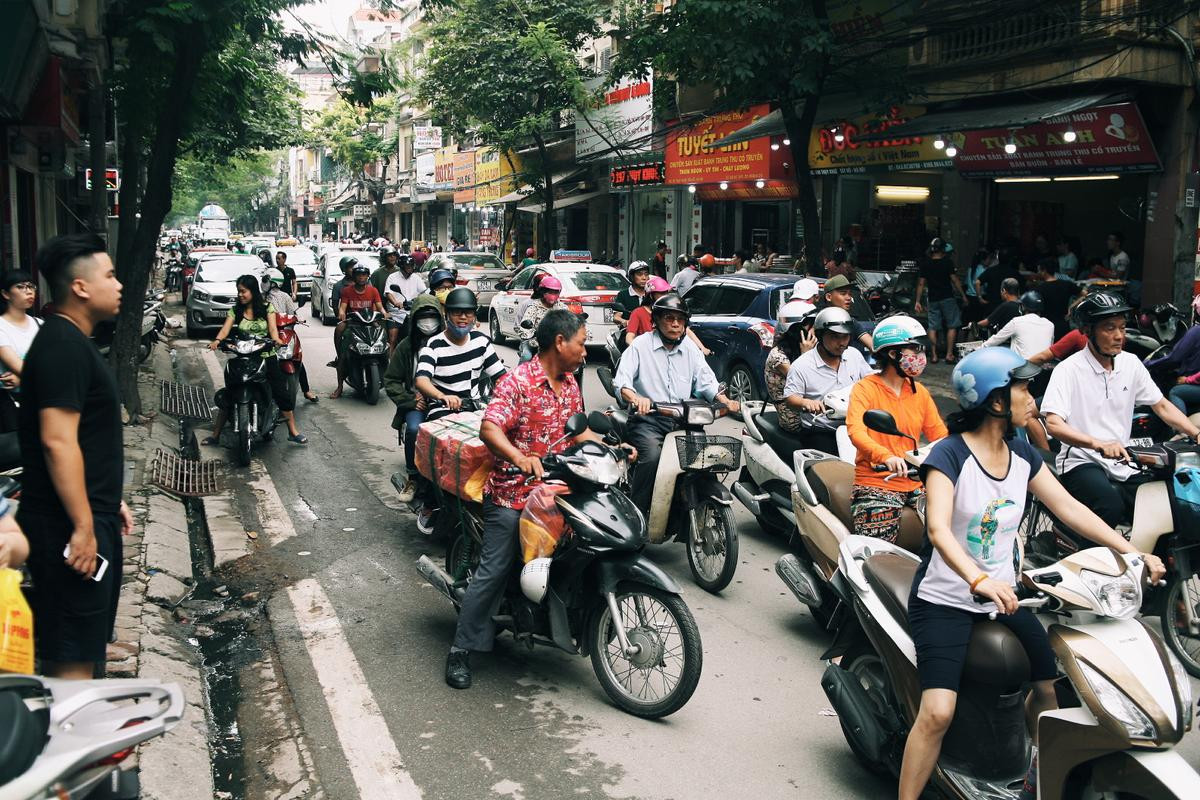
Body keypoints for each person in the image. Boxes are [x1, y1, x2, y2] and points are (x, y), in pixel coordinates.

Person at [899, 346, 1165, 800]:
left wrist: (1134, 552)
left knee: (1048, 690)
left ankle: (1035, 781)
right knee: (938, 712)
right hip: (945, 601)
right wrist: (979, 580)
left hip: (1005, 600)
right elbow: (940, 530)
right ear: (996, 400)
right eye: (1022, 387)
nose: (1032, 397)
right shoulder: (949, 456)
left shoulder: (1022, 453)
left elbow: (1070, 508)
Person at [446, 310, 614, 689]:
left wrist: (614, 447)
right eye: (582, 343)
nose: (585, 351)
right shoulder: (517, 382)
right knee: (493, 570)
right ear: (560, 342)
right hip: (512, 495)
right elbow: (490, 428)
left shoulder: (570, 384)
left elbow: (578, 432)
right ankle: (461, 648)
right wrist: (520, 458)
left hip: (559, 491)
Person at [18, 233, 134, 679]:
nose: (119, 284)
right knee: (72, 659)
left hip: (87, 513)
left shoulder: (71, 342)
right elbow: (58, 441)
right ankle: (69, 744)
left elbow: (84, 439)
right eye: (109, 275)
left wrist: (106, 501)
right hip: (67, 527)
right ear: (80, 287)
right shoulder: (63, 346)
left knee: (85, 644)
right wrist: (84, 525)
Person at [1042, 293, 1200, 527]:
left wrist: (1195, 433)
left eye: (1122, 328)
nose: (1119, 336)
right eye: (1109, 328)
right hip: (1081, 459)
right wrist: (1097, 443)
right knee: (1110, 505)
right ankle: (1091, 562)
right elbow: (1054, 424)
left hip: (1122, 461)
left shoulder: (1131, 363)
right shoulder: (1068, 370)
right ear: (1088, 331)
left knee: (1166, 505)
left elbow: (1162, 405)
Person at [614, 293, 740, 511]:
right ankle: (637, 514)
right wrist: (636, 398)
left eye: (680, 319)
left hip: (684, 420)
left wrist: (725, 400)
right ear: (657, 320)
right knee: (652, 458)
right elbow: (622, 382)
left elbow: (706, 381)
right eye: (668, 318)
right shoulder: (640, 346)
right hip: (649, 420)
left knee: (703, 461)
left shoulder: (690, 349)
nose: (675, 324)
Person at [846, 315, 947, 544]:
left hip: (916, 481)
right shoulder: (865, 389)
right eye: (914, 349)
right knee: (877, 552)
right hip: (876, 481)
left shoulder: (919, 392)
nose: (920, 356)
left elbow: (940, 436)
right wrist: (886, 456)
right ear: (893, 354)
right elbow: (856, 431)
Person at [204, 275, 308, 444]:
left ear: (252, 291)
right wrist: (217, 341)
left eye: (243, 291)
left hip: (266, 356)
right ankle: (215, 435)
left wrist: (276, 340)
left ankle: (292, 431)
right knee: (230, 393)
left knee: (281, 393)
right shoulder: (236, 310)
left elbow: (273, 330)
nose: (240, 295)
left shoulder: (267, 308)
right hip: (243, 358)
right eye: (239, 292)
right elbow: (225, 330)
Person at [782, 308, 872, 452]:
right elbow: (790, 398)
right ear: (820, 335)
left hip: (856, 426)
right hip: (822, 430)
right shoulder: (802, 365)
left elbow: (870, 381)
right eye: (835, 336)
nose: (842, 343)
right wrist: (807, 402)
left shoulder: (854, 355)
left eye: (845, 336)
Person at [384, 294, 445, 505]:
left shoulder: (449, 342)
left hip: (447, 401)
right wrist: (409, 400)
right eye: (423, 317)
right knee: (413, 429)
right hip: (417, 402)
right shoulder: (405, 347)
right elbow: (390, 379)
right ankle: (412, 477)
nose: (428, 323)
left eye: (432, 317)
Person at [260, 271, 318, 403]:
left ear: (272, 282)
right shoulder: (259, 297)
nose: (262, 283)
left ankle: (306, 390)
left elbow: (292, 313)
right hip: (265, 333)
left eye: (265, 280)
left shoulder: (285, 296)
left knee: (297, 360)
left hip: (283, 332)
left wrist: (297, 318)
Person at [330, 263, 386, 399]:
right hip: (353, 323)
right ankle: (340, 386)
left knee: (384, 338)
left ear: (367, 276)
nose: (361, 277)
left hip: (370, 321)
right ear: (354, 276)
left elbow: (379, 306)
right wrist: (342, 313)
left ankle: (385, 368)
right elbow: (343, 307)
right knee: (339, 330)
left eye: (364, 275)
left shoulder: (373, 290)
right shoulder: (347, 291)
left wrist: (384, 313)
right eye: (359, 275)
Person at [766, 300, 818, 433]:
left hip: (811, 411)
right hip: (793, 416)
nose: (814, 331)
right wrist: (806, 355)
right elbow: (808, 381)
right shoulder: (778, 357)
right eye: (811, 326)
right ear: (797, 329)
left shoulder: (799, 349)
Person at [0, 271, 43, 429]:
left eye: (31, 286)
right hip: (11, 405)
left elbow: (55, 365)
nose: (29, 291)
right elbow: (17, 366)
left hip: (40, 400)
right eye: (21, 287)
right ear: (5, 293)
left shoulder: (40, 325)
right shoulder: (1, 327)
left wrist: (22, 380)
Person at [915, 238, 967, 363]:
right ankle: (949, 355)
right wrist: (963, 295)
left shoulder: (925, 264)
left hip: (933, 299)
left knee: (933, 327)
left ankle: (934, 355)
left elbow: (921, 284)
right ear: (943, 249)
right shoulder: (947, 263)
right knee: (952, 325)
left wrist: (917, 301)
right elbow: (954, 280)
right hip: (947, 297)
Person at [1147, 322, 1200, 416]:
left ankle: (1180, 429)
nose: (1194, 306)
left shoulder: (1196, 331)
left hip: (1195, 384)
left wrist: (1148, 364)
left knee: (1175, 392)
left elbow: (1174, 357)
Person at [983, 290, 1054, 360]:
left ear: (1022, 307)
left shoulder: (1017, 322)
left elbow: (996, 339)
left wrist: (980, 347)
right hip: (1043, 366)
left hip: (1022, 367)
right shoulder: (1050, 325)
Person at [518, 276, 568, 362]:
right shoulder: (534, 307)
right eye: (550, 291)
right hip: (534, 341)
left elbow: (569, 323)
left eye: (555, 292)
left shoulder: (563, 308)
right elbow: (525, 324)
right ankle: (520, 375)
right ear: (542, 291)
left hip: (556, 343)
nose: (553, 294)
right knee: (526, 356)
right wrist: (530, 332)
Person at [821, 274, 874, 354]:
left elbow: (873, 346)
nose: (849, 298)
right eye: (843, 293)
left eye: (849, 294)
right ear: (828, 297)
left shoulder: (851, 322)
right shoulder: (817, 322)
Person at [383, 254, 425, 356]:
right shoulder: (392, 277)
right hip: (396, 313)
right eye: (407, 266)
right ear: (402, 266)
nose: (410, 268)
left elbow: (424, 292)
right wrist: (396, 303)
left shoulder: (416, 278)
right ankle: (390, 362)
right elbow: (388, 293)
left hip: (412, 312)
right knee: (392, 338)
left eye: (411, 266)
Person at [1033, 258, 1078, 339]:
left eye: (1039, 270)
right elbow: (1085, 294)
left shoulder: (1039, 289)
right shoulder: (1066, 284)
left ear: (1044, 271)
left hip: (1046, 327)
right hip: (1063, 325)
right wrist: (1072, 307)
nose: (1038, 273)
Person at [613, 261, 650, 326]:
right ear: (632, 277)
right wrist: (625, 321)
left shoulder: (651, 294)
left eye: (646, 274)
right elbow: (616, 317)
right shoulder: (623, 295)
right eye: (639, 274)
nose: (644, 278)